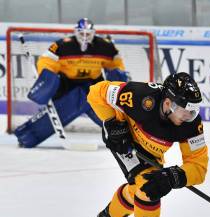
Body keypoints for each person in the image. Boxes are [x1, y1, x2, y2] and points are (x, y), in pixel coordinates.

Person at [87, 72, 209, 217]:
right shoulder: (139, 95)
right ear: (168, 103)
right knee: (147, 186)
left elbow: (198, 167)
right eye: (185, 110)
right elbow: (96, 92)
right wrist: (112, 123)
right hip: (123, 141)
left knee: (146, 186)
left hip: (152, 153)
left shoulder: (191, 125)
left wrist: (173, 176)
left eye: (193, 111)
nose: (189, 116)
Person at [14, 18, 129, 148]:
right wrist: (47, 74)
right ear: (75, 32)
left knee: (104, 105)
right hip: (67, 83)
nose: (84, 36)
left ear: (93, 33)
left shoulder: (105, 46)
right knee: (68, 105)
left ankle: (124, 133)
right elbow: (46, 61)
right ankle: (27, 135)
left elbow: (116, 64)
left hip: (92, 83)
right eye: (81, 33)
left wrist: (118, 74)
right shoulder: (63, 45)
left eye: (88, 33)